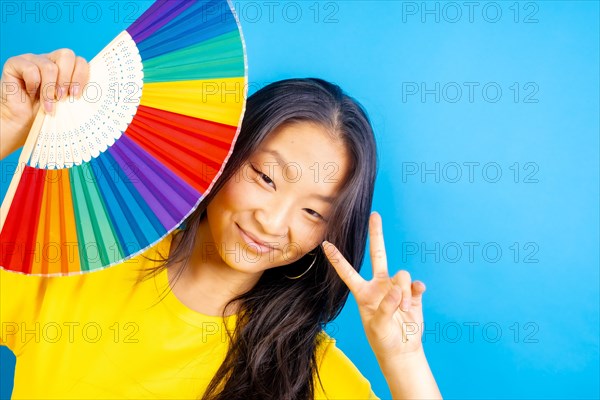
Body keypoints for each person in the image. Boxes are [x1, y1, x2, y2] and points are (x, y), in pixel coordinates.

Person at [0, 49, 443, 399]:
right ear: (225, 155)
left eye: (313, 213)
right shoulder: (85, 254)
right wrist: (6, 128)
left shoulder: (305, 372)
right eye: (265, 178)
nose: (272, 222)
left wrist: (402, 357)